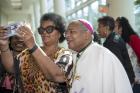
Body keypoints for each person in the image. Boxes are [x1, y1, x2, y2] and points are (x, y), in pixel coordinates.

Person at [0, 13, 73, 93]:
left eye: (49, 29)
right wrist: (4, 46)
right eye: (41, 30)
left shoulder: (64, 54)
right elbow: (12, 69)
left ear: (59, 33)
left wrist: (33, 46)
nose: (44, 33)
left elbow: (57, 76)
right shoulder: (28, 52)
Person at [65, 19, 133, 93]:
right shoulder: (76, 54)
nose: (67, 35)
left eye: (72, 32)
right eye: (66, 32)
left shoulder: (104, 56)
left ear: (86, 34)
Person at [97, 16, 135, 85]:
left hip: (124, 81)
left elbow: (116, 65)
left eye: (99, 27)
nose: (97, 29)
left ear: (107, 28)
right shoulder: (113, 38)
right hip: (124, 78)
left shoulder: (113, 43)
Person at [115, 16, 140, 93]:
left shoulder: (133, 38)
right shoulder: (120, 40)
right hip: (128, 78)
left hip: (136, 79)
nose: (114, 28)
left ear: (121, 27)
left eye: (115, 26)